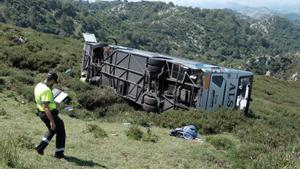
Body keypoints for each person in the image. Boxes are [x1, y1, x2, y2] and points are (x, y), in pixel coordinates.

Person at [34, 71, 66, 159]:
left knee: (53, 130)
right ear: (52, 80)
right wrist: (52, 121)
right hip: (48, 114)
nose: (54, 85)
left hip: (41, 113)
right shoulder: (46, 90)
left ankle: (40, 148)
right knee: (60, 130)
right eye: (54, 83)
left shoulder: (39, 85)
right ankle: (59, 153)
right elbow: (46, 107)